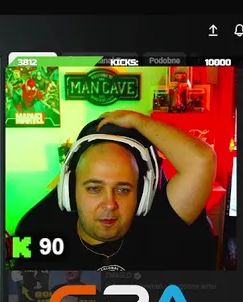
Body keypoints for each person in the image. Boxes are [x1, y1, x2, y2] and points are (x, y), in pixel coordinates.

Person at [13, 111, 219, 270]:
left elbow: (201, 161)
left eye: (123, 190)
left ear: (141, 194)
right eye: (94, 188)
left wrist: (137, 121)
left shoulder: (159, 224)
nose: (110, 204)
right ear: (69, 190)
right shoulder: (36, 234)